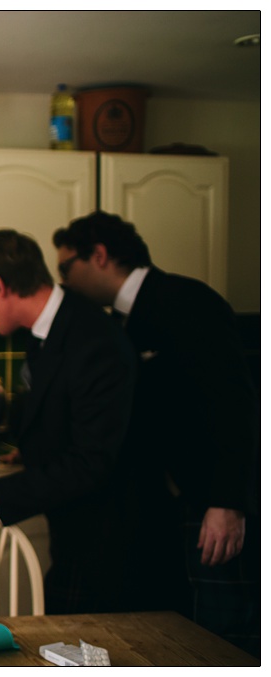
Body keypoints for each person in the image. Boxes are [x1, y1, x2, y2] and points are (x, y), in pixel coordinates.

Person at [52, 211, 258, 652]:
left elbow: (233, 402)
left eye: (67, 268)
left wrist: (227, 503)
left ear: (100, 256)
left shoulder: (185, 300)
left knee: (222, 633)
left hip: (209, 498)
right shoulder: (126, 317)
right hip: (172, 500)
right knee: (184, 629)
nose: (64, 282)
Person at [0, 229, 156, 615]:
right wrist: (34, 445)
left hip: (112, 546)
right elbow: (72, 414)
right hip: (78, 537)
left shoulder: (93, 340)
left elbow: (92, 462)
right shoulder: (49, 330)